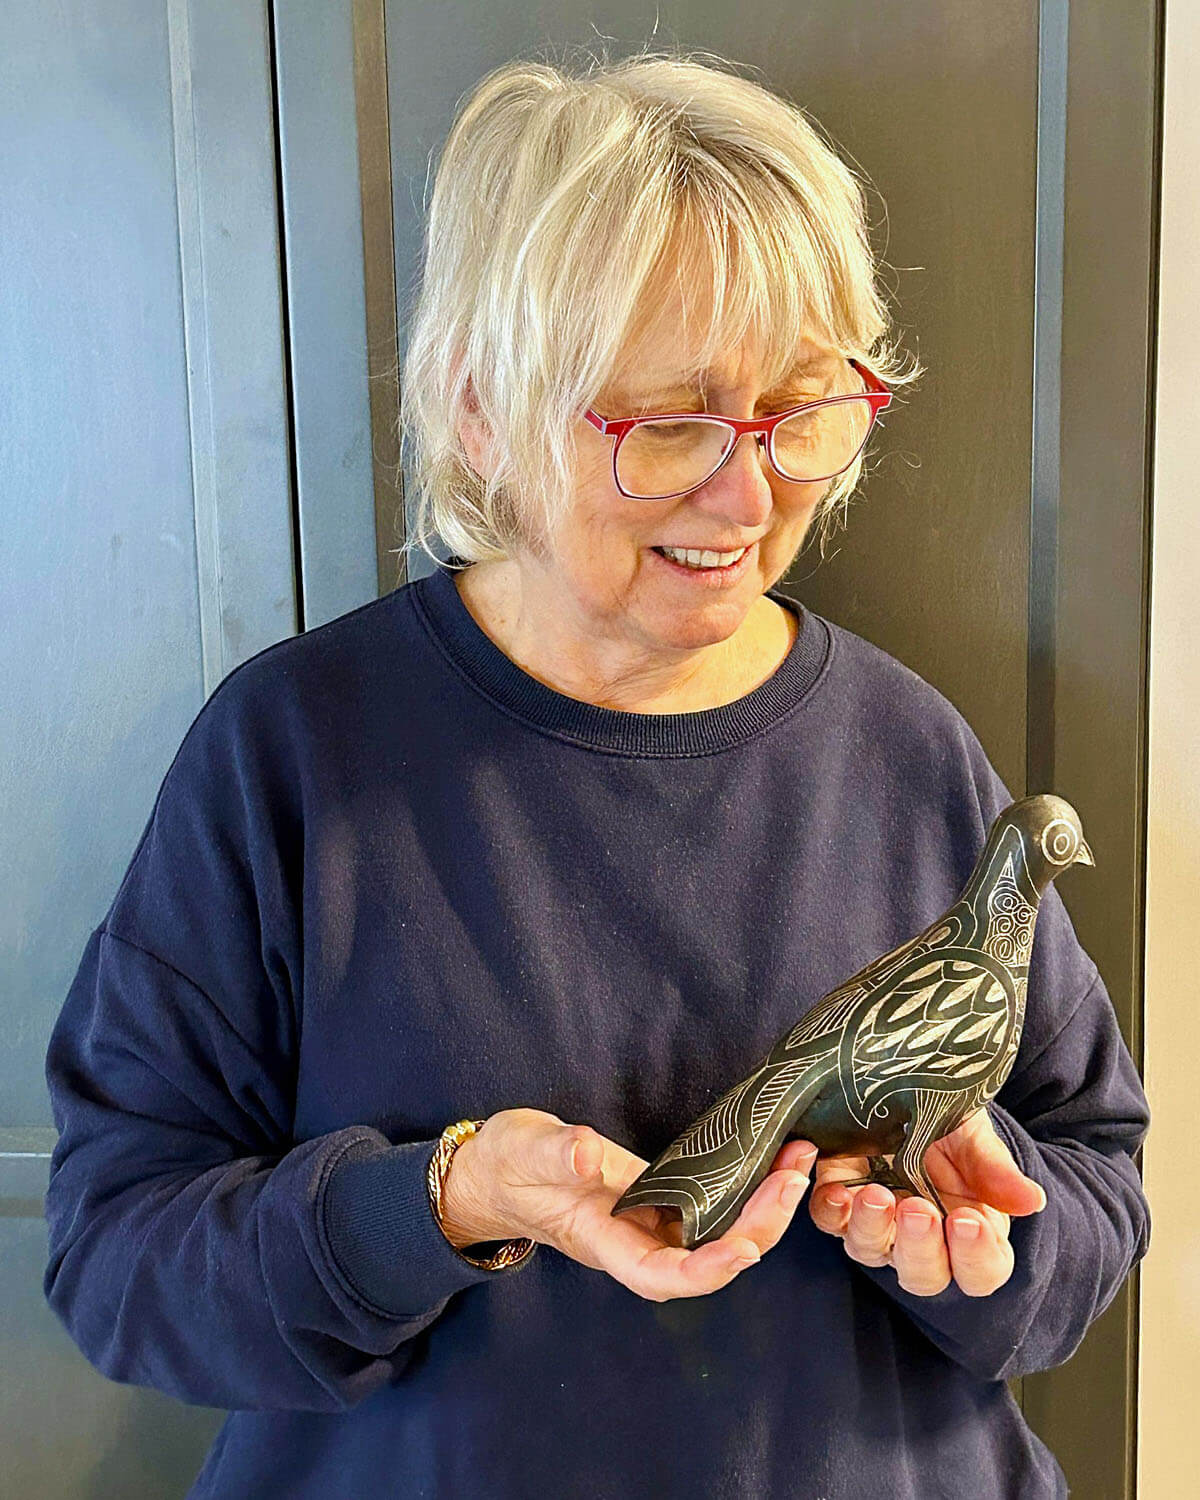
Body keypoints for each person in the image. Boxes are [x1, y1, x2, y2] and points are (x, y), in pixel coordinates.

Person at [43, 49, 1150, 1500]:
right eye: (670, 424)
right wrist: (433, 1204)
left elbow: (1093, 1185)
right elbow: (120, 1256)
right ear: (484, 411)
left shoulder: (912, 753)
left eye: (800, 412)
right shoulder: (296, 757)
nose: (750, 498)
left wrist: (982, 1250)